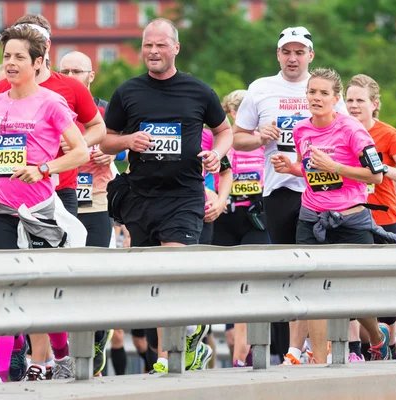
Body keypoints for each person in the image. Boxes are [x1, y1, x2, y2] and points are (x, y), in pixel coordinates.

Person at [0, 13, 105, 383]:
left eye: (19, 58)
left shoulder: (52, 103)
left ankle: (61, 354)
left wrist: (44, 169)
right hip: (3, 210)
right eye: (7, 56)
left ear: (38, 62)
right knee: (1, 287)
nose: (10, 63)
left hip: (41, 210)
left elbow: (80, 152)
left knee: (44, 290)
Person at [100, 18, 232, 374]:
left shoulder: (198, 91)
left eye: (160, 45)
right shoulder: (128, 92)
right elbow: (106, 139)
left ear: (176, 48)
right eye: (147, 46)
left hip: (183, 195)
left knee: (170, 268)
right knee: (151, 280)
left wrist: (216, 154)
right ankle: (188, 335)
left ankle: (166, 355)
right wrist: (128, 141)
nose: (153, 52)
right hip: (140, 197)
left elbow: (224, 131)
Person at [270, 67, 396, 363]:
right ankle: (319, 361)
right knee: (311, 291)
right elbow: (310, 170)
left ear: (336, 98)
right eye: (312, 92)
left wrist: (336, 167)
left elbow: (376, 177)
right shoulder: (302, 129)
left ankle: (377, 338)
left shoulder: (352, 130)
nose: (316, 98)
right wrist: (291, 168)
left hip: (350, 218)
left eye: (323, 93)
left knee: (354, 295)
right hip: (311, 217)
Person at [233, 26, 347, 365]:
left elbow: (347, 137)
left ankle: (316, 346)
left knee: (318, 269)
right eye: (287, 52)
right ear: (278, 55)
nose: (293, 58)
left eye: (300, 52)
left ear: (311, 55)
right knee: (287, 271)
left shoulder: (326, 90)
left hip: (320, 191)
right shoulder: (261, 89)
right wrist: (258, 138)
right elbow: (237, 138)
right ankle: (289, 350)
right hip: (279, 190)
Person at [345, 74, 396, 359]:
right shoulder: (337, 130)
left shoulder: (388, 134)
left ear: (374, 104)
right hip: (349, 216)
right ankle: (354, 349)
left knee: (386, 291)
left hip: (383, 217)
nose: (353, 106)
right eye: (349, 100)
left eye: (360, 101)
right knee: (349, 282)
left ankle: (387, 347)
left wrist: (380, 169)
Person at [59, 50, 124, 377]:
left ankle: (98, 336)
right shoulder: (48, 102)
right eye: (65, 70)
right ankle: (68, 348)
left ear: (91, 76)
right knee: (65, 277)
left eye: (77, 71)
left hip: (96, 200)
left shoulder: (104, 110)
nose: (71, 76)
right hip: (59, 199)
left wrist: (106, 150)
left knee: (95, 273)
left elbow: (122, 143)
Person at [216, 90, 271, 368]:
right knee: (231, 288)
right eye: (233, 110)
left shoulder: (261, 140)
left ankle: (244, 354)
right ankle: (238, 351)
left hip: (255, 217)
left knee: (250, 285)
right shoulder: (220, 140)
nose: (237, 114)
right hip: (224, 218)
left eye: (242, 109)